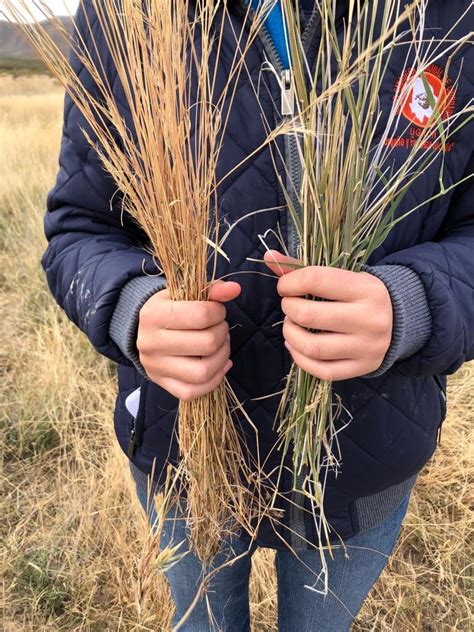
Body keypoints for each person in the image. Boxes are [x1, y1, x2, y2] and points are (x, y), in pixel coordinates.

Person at [42, 0, 473, 629]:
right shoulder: (125, 14)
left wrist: (414, 305)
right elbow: (80, 228)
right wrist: (132, 310)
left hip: (367, 449)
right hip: (181, 442)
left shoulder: (452, 15)